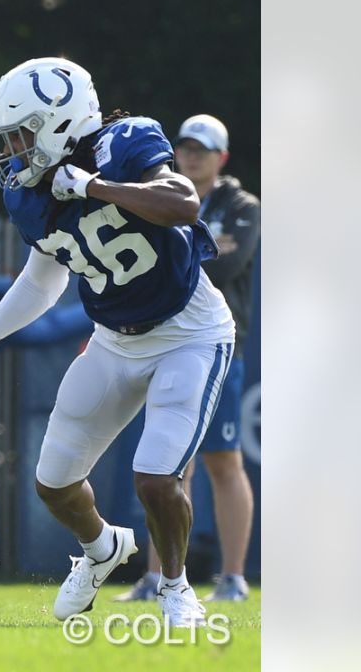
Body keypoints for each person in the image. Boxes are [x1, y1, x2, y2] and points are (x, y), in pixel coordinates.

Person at [0, 57, 234, 628]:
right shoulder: (29, 194)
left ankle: (175, 587)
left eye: (20, 135)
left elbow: (183, 205)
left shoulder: (125, 142)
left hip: (188, 330)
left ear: (59, 123)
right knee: (54, 483)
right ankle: (100, 550)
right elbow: (44, 280)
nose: (11, 150)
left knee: (156, 478)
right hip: (114, 339)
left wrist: (95, 186)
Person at [117, 114, 259, 603]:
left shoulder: (242, 205)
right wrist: (203, 246)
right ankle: (158, 579)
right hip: (164, 343)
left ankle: (233, 577)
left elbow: (232, 264)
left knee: (223, 461)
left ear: (222, 158)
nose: (192, 154)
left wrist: (178, 250)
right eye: (185, 145)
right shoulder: (156, 192)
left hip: (219, 347)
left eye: (203, 148)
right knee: (167, 463)